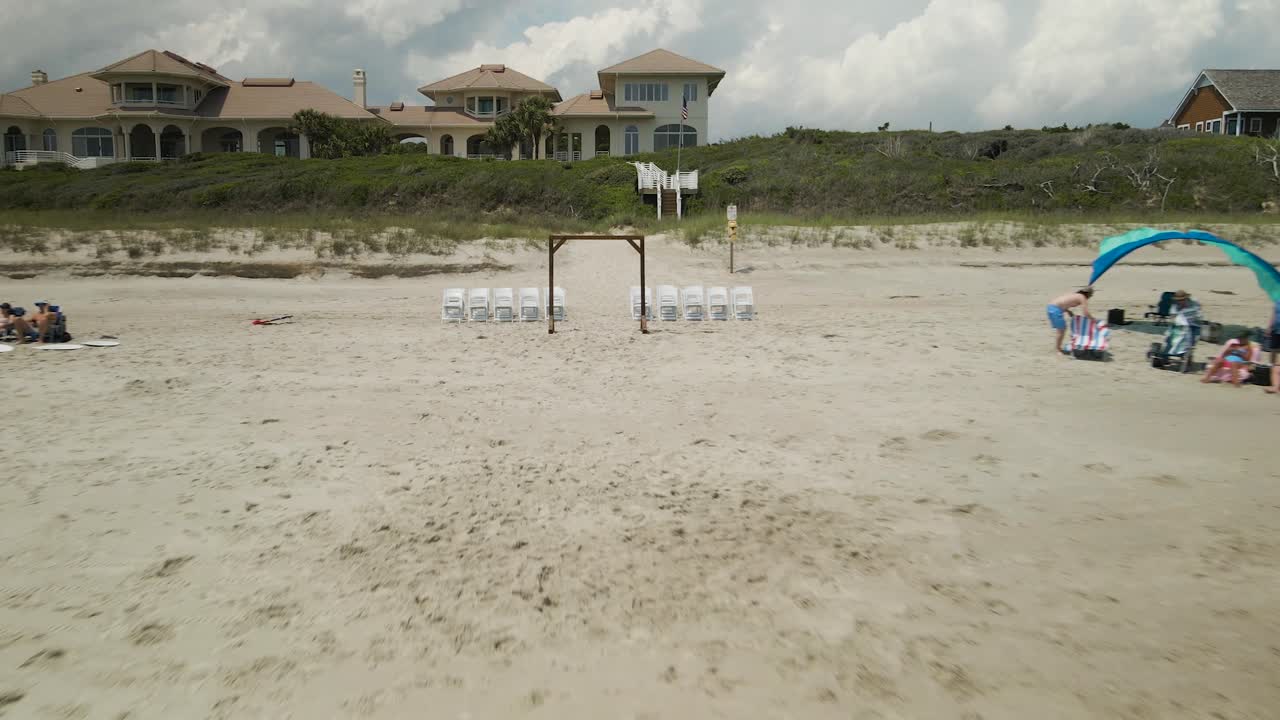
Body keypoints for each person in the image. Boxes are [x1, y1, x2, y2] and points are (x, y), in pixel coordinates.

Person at [1047, 287, 1094, 354]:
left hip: (1051, 307)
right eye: (1091, 295)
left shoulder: (1075, 294)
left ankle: (1058, 348)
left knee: (1061, 329)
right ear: (1088, 294)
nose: (1090, 297)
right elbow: (1086, 313)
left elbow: (1062, 302)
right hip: (1055, 309)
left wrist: (1068, 311)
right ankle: (1058, 349)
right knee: (1061, 330)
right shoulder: (1082, 297)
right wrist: (1093, 319)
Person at [1268, 299, 1280, 394]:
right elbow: (1274, 314)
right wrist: (1269, 327)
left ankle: (1276, 386)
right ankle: (1274, 384)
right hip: (1275, 331)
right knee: (1273, 359)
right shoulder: (1277, 300)